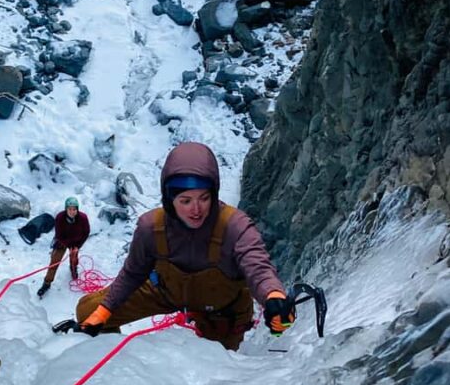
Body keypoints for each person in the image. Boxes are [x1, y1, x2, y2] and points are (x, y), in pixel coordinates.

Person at [75, 142, 295, 350]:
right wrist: (105, 311)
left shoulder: (235, 226)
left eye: (204, 198)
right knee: (87, 311)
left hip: (221, 309)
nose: (196, 209)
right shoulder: (151, 227)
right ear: (170, 200)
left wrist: (273, 296)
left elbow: (258, 268)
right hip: (165, 292)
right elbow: (133, 274)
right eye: (185, 201)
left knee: (215, 366)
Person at [37, 197, 90, 298]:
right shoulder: (60, 217)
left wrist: (77, 246)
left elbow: (86, 232)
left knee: (74, 259)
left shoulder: (83, 218)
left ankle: (73, 269)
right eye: (70, 209)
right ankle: (47, 283)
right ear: (66, 209)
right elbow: (59, 235)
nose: (72, 212)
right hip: (62, 242)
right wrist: (69, 246)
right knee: (54, 262)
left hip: (76, 242)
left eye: (74, 209)